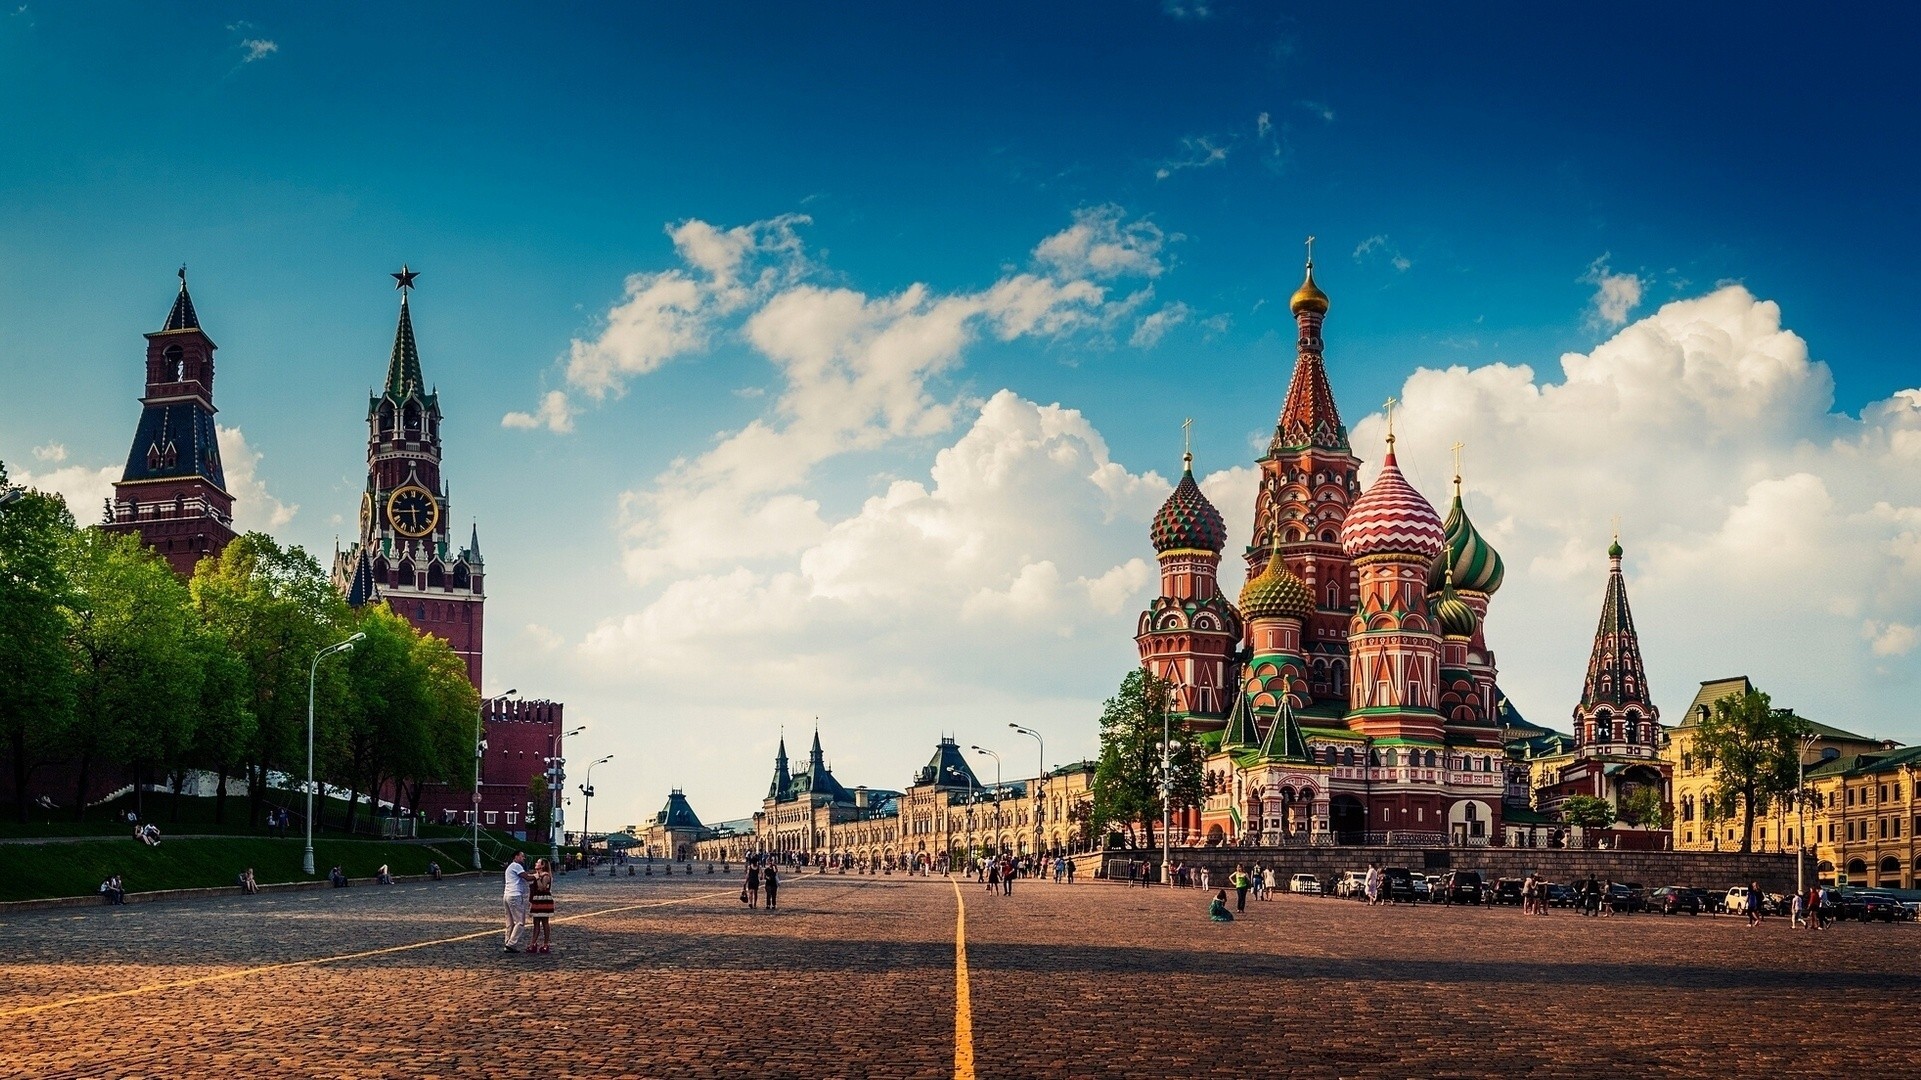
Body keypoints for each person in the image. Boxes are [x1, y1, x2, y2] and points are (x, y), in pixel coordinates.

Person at [502, 851, 531, 954]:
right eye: (522, 856)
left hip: (507, 895)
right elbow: (527, 877)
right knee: (520, 922)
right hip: (514, 896)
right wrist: (538, 875)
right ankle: (511, 944)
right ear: (516, 856)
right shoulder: (516, 866)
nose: (524, 858)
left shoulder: (510, 867)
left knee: (509, 922)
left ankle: (507, 943)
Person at [528, 858, 555, 954]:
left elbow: (542, 887)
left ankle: (546, 944)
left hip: (544, 899)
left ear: (542, 865)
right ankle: (533, 943)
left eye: (538, 862)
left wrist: (537, 877)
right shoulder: (538, 874)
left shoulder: (546, 876)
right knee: (535, 923)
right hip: (536, 899)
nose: (536, 863)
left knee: (544, 922)